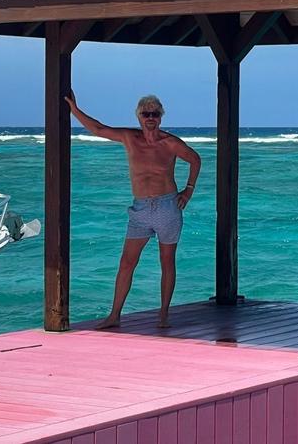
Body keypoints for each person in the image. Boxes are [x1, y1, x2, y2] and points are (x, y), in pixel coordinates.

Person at [64, 91, 201, 329]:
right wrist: (75, 110)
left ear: (161, 117)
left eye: (155, 114)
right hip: (139, 209)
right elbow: (98, 129)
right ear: (138, 116)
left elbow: (195, 159)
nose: (150, 118)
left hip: (167, 206)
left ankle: (164, 315)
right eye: (146, 113)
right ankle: (114, 315)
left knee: (167, 261)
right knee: (127, 262)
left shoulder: (170, 143)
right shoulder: (130, 138)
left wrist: (188, 190)